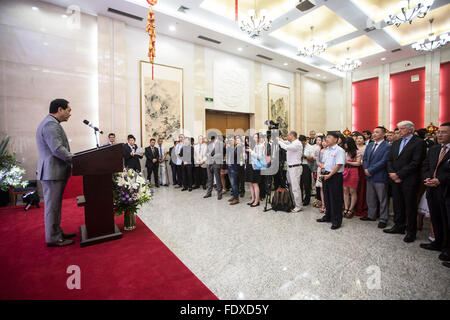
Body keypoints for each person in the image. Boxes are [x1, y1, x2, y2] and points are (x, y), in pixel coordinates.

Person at [36, 98, 75, 247]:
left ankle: (56, 231)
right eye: (68, 110)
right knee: (52, 206)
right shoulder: (50, 125)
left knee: (55, 205)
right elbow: (57, 149)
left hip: (53, 172)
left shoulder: (51, 123)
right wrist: (75, 160)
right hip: (52, 172)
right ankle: (53, 237)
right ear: (60, 109)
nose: (70, 114)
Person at [385, 120, 426, 243]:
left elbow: (416, 162)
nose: (399, 131)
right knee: (398, 204)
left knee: (410, 206)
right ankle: (399, 226)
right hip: (394, 178)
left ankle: (411, 232)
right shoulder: (396, 142)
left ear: (409, 129)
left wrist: (399, 174)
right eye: (398, 129)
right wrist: (392, 173)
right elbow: (390, 160)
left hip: (409, 179)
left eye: (402, 129)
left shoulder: (419, 143)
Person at [421, 122, 450, 265]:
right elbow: (426, 165)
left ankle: (448, 249)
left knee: (447, 220)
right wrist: (427, 177)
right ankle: (437, 242)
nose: (439, 134)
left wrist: (440, 180)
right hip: (432, 188)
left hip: (446, 189)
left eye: (444, 132)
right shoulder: (434, 149)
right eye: (439, 132)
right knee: (436, 216)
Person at [361, 126, 391, 229]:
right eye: (373, 132)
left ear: (383, 134)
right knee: (370, 197)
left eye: (377, 132)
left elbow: (384, 161)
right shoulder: (369, 145)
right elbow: (364, 158)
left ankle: (383, 218)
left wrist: (370, 170)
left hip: (380, 175)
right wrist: (366, 169)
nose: (374, 134)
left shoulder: (387, 146)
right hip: (368, 175)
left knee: (382, 198)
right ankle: (371, 215)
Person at [317, 132, 346, 230]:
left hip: (335, 176)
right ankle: (328, 216)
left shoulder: (339, 150)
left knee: (335, 199)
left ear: (336, 139)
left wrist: (330, 174)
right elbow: (325, 163)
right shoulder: (327, 150)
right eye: (326, 137)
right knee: (327, 197)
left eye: (329, 137)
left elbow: (339, 165)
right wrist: (322, 169)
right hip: (326, 175)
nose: (327, 139)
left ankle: (336, 221)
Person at [278, 131, 303, 213]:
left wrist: (279, 141)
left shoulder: (297, 143)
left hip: (295, 167)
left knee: (295, 188)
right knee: (290, 186)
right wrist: (279, 139)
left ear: (292, 136)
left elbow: (286, 147)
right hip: (290, 167)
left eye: (288, 135)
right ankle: (293, 202)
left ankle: (298, 206)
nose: (287, 136)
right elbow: (285, 142)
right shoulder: (291, 142)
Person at [342, 138, 362, 219]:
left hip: (353, 171)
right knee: (345, 190)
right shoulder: (344, 152)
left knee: (352, 191)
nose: (345, 145)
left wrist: (348, 162)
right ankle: (346, 207)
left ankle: (351, 209)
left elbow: (358, 163)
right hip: (345, 171)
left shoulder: (357, 152)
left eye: (346, 144)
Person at [245, 133, 264, 207]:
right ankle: (252, 199)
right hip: (250, 166)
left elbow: (259, 157)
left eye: (256, 137)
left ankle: (257, 200)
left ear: (259, 138)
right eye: (254, 137)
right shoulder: (253, 146)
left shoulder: (261, 146)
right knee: (250, 183)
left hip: (256, 167)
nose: (255, 138)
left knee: (255, 184)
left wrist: (251, 151)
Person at [204, 135, 223, 200]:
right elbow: (206, 153)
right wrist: (208, 154)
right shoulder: (209, 144)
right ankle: (209, 193)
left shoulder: (220, 144)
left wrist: (214, 156)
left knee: (218, 179)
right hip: (209, 163)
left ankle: (219, 194)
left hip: (216, 163)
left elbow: (221, 154)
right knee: (210, 179)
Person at [299, 135, 315, 206]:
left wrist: (304, 156)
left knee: (306, 184)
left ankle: (307, 199)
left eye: (302, 142)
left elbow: (312, 159)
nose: (301, 144)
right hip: (299, 165)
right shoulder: (299, 147)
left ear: (305, 141)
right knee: (300, 183)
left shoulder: (310, 148)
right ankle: (300, 198)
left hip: (306, 166)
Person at [315, 138, 327, 214]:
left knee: (327, 188)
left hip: (328, 169)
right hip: (320, 170)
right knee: (321, 188)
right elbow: (317, 161)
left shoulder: (330, 151)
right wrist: (321, 165)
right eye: (322, 141)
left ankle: (327, 205)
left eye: (325, 141)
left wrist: (325, 166)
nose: (323, 143)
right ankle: (323, 204)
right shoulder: (319, 151)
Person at [226, 136, 240, 205]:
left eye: (232, 140)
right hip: (229, 167)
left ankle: (236, 198)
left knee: (234, 184)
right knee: (232, 184)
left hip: (234, 168)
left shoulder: (238, 147)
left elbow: (235, 154)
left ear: (235, 140)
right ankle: (234, 196)